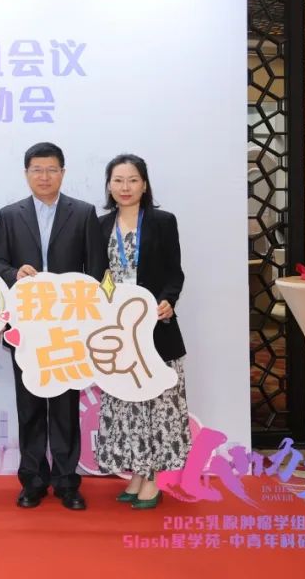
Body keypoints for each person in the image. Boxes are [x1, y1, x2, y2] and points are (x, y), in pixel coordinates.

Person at [0, 142, 106, 511]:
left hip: (68, 330)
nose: (44, 176)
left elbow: (97, 270)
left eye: (51, 169)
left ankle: (68, 482)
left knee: (66, 407)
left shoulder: (83, 213)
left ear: (63, 173)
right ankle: (33, 480)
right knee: (29, 407)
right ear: (26, 174)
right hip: (27, 329)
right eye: (37, 170)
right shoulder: (10, 215)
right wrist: (15, 273)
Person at [95, 154, 191, 510]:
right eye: (118, 180)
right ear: (109, 186)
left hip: (155, 329)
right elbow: (98, 275)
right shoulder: (100, 225)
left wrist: (168, 300)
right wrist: (104, 303)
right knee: (127, 405)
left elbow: (174, 273)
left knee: (157, 405)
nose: (125, 187)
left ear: (145, 185)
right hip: (119, 331)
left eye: (133, 180)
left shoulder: (163, 222)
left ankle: (153, 479)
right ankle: (137, 473)